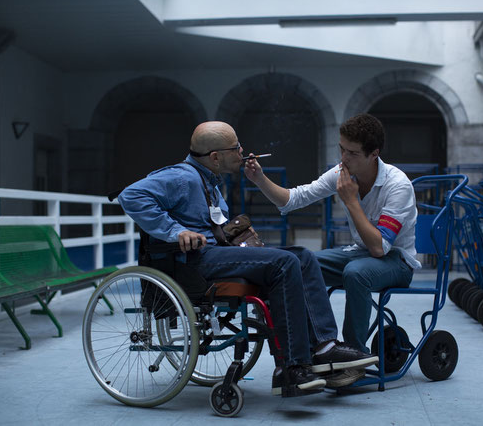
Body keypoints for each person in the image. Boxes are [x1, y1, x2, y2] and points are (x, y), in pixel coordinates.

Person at [118, 121, 377, 397]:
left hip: (217, 252)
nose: (242, 151)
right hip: (194, 261)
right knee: (284, 262)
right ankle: (290, 368)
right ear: (215, 157)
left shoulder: (208, 180)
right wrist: (175, 231)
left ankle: (324, 347)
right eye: (235, 148)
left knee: (301, 256)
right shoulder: (182, 177)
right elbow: (131, 196)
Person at [245, 113, 419, 373]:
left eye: (352, 153)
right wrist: (259, 178)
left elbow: (379, 248)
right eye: (342, 149)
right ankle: (317, 347)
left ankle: (354, 357)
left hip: (397, 261)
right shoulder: (342, 173)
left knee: (355, 273)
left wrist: (350, 200)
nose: (344, 158)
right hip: (362, 253)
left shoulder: (397, 186)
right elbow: (293, 199)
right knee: (298, 263)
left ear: (374, 154)